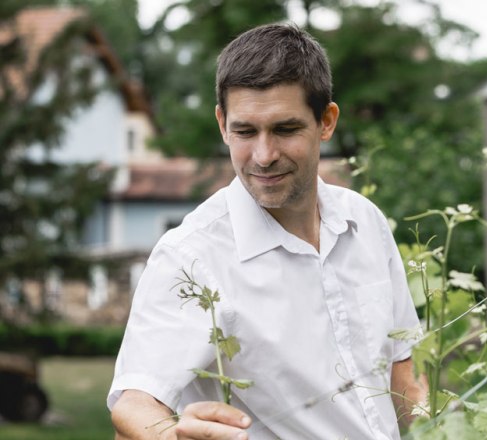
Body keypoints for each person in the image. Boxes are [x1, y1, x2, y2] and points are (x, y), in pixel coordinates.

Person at [108, 23, 426, 439]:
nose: (263, 155)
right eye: (245, 131)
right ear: (222, 124)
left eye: (285, 129)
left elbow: (401, 368)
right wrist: (170, 435)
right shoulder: (191, 255)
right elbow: (135, 403)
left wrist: (444, 424)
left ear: (326, 121)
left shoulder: (364, 222)